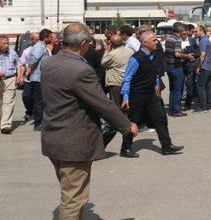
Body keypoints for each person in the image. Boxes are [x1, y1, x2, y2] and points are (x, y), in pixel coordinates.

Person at [40, 23, 138, 219]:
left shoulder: (48, 63)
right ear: (84, 43)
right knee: (73, 199)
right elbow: (102, 103)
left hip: (53, 137)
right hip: (74, 144)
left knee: (70, 191)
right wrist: (127, 126)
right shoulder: (80, 69)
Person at [120, 31, 183, 157]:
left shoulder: (153, 55)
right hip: (137, 96)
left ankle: (167, 146)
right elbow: (127, 78)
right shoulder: (136, 58)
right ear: (145, 43)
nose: (157, 42)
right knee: (133, 121)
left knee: (160, 119)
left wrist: (156, 83)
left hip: (151, 95)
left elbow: (154, 72)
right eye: (154, 40)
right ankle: (125, 148)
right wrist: (125, 97)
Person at [163, 22, 191, 117]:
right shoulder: (177, 40)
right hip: (176, 66)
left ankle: (171, 109)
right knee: (178, 90)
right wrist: (187, 56)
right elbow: (177, 54)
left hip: (169, 66)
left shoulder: (168, 38)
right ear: (180, 30)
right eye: (183, 29)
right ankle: (176, 110)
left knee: (173, 90)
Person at [100, 33, 134, 112]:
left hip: (116, 83)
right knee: (126, 104)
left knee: (116, 106)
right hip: (128, 81)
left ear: (111, 44)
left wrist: (106, 51)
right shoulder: (130, 51)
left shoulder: (112, 54)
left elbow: (103, 63)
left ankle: (118, 123)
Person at [28, 28, 53, 131]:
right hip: (38, 78)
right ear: (45, 37)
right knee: (39, 101)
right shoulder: (39, 46)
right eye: (50, 37)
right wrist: (30, 71)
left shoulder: (42, 46)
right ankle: (38, 123)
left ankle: (40, 121)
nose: (51, 39)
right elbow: (33, 60)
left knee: (41, 100)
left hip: (41, 77)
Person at [0, 35, 22, 134]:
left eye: (7, 43)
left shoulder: (12, 53)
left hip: (10, 79)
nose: (7, 45)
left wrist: (19, 76)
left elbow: (19, 65)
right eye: (4, 43)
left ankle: (6, 125)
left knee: (8, 103)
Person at [18, 32, 39, 122]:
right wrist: (21, 76)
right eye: (36, 40)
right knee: (26, 96)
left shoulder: (44, 49)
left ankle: (36, 114)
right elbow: (22, 64)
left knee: (37, 97)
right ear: (31, 40)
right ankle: (29, 111)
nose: (38, 41)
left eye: (39, 39)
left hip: (39, 78)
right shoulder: (27, 51)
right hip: (29, 78)